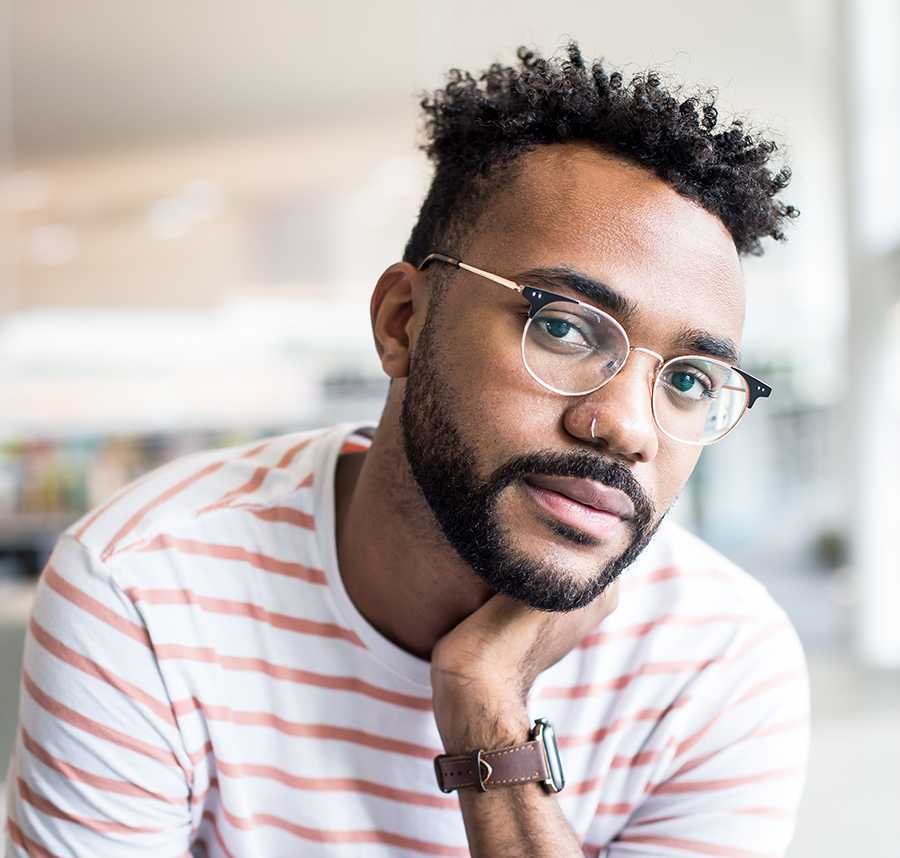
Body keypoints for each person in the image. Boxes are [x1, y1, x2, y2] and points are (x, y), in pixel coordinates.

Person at [4, 42, 810, 857]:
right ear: (402, 321)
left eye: (691, 382)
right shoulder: (144, 585)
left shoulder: (722, 657)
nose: (629, 427)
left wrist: (489, 715)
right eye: (564, 327)